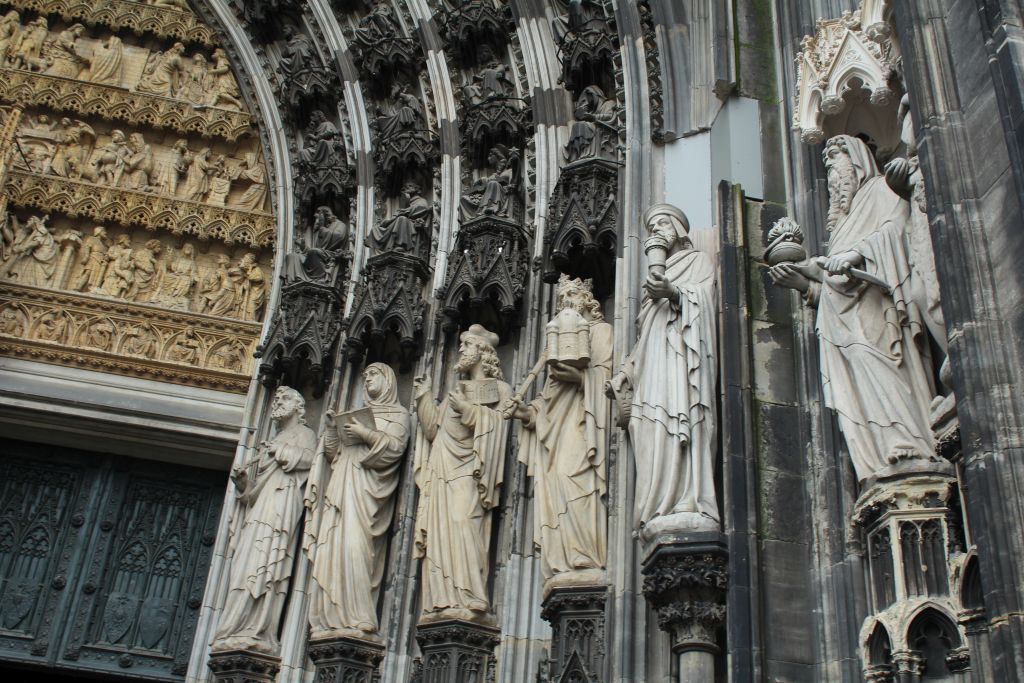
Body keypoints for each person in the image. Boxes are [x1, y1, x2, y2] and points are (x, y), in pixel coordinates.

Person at [768, 135, 939, 481]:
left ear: (858, 159)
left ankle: (912, 440)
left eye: (835, 158)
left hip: (881, 315)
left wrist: (854, 255)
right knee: (857, 381)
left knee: (875, 362)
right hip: (843, 324)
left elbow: (898, 232)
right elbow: (834, 290)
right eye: (827, 162)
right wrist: (804, 283)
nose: (830, 168)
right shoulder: (842, 222)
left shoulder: (880, 190)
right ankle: (879, 455)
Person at [609, 203, 719, 537]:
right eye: (651, 227)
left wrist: (672, 292)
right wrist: (626, 373)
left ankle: (686, 499)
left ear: (676, 227)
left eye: (660, 224)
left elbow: (706, 304)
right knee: (647, 427)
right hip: (654, 366)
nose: (655, 230)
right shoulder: (651, 285)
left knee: (678, 420)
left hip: (681, 364)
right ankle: (657, 503)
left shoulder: (697, 262)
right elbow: (645, 338)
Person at [507, 276, 611, 583]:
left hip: (586, 422)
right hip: (559, 428)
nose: (567, 300)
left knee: (574, 476)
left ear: (587, 299)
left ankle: (587, 553)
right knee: (558, 480)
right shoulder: (557, 343)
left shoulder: (602, 332)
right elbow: (547, 401)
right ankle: (564, 556)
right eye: (562, 296)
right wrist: (525, 411)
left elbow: (608, 382)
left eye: (572, 294)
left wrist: (581, 378)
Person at [413, 325, 511, 620]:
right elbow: (434, 430)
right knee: (441, 534)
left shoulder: (499, 390)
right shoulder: (456, 391)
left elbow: (499, 425)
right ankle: (441, 599)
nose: (461, 352)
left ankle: (470, 594)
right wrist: (423, 398)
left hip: (469, 472)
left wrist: (468, 410)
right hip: (442, 471)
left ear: (483, 352)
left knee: (464, 522)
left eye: (467, 346)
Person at [305, 363, 410, 638]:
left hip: (367, 493)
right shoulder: (356, 415)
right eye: (363, 377)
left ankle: (358, 613)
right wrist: (330, 430)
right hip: (341, 486)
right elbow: (332, 454)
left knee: (357, 546)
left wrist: (365, 434)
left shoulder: (399, 415)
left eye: (373, 375)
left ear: (388, 380)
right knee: (334, 547)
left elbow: (396, 449)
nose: (366, 380)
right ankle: (332, 615)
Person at [212, 387, 317, 653]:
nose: (276, 404)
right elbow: (252, 494)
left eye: (284, 400)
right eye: (276, 400)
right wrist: (244, 484)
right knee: (245, 566)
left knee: (265, 566)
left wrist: (281, 452)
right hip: (260, 513)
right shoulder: (276, 438)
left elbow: (312, 462)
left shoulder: (304, 435)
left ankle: (256, 629)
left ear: (298, 406)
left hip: (279, 512)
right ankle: (235, 626)